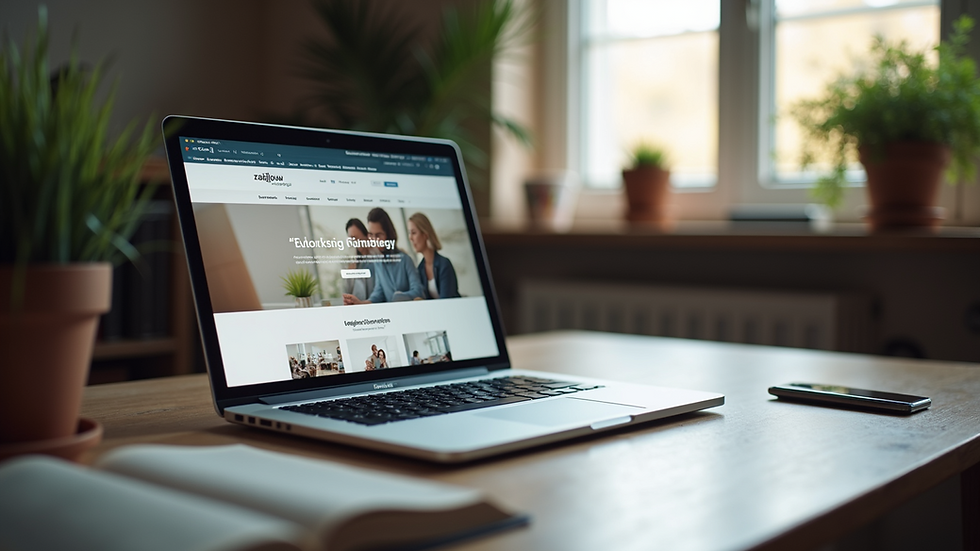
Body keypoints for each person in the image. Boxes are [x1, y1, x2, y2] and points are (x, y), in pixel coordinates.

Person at [343, 208, 424, 304]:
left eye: (378, 235)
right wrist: (360, 303)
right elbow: (378, 293)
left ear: (388, 235)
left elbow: (418, 291)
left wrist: (398, 296)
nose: (373, 240)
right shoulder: (378, 262)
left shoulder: (405, 260)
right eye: (371, 235)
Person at [407, 212, 460, 299]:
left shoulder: (444, 264)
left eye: (413, 233)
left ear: (425, 234)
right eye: (409, 233)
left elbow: (446, 301)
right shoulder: (420, 269)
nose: (410, 237)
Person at [343, 218, 376, 302]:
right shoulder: (357, 264)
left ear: (366, 235)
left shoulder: (376, 257)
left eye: (358, 238)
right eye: (352, 239)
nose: (356, 242)